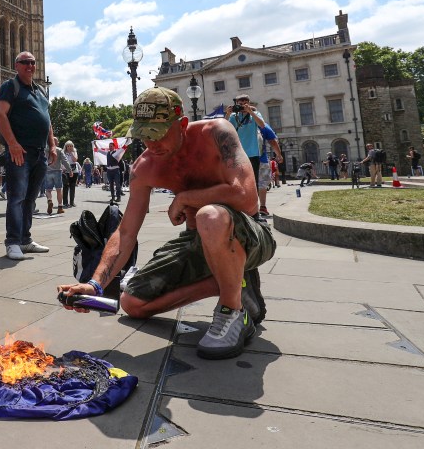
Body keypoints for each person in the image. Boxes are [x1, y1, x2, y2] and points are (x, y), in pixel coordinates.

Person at [57, 88, 275, 360]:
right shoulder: (144, 167)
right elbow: (126, 232)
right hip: (198, 241)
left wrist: (186, 198)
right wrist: (95, 285)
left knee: (210, 216)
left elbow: (248, 198)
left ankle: (233, 312)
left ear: (182, 124)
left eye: (158, 134)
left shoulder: (216, 132)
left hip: (250, 234)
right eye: (144, 136)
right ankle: (231, 284)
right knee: (132, 303)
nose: (152, 144)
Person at [0, 52, 54, 261]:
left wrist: (52, 146)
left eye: (32, 62)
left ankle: (25, 240)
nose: (30, 66)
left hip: (39, 153)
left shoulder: (39, 91)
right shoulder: (10, 86)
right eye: (25, 62)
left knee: (30, 199)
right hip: (20, 152)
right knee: (17, 198)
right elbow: (0, 114)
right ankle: (12, 242)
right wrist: (13, 144)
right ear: (16, 65)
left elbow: (47, 119)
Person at [227, 95, 266, 191]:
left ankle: (254, 203)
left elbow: (262, 125)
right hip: (238, 154)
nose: (242, 106)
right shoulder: (233, 116)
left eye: (245, 104)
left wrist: (251, 112)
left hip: (253, 153)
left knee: (253, 180)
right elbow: (226, 128)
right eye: (240, 104)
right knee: (239, 180)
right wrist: (227, 114)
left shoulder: (255, 113)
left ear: (248, 104)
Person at [43, 137, 67, 215]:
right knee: (59, 190)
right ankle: (60, 208)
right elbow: (64, 161)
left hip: (47, 171)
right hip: (57, 171)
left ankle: (49, 200)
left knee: (48, 190)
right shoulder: (59, 150)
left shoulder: (45, 150)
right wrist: (69, 170)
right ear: (56, 143)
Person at [61, 140, 80, 208]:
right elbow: (61, 161)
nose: (70, 147)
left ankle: (72, 202)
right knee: (65, 186)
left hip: (74, 171)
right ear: (66, 146)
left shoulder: (74, 151)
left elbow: (75, 160)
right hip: (65, 171)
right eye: (68, 146)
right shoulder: (63, 152)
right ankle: (65, 202)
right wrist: (63, 168)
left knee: (72, 187)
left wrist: (72, 153)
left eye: (71, 146)